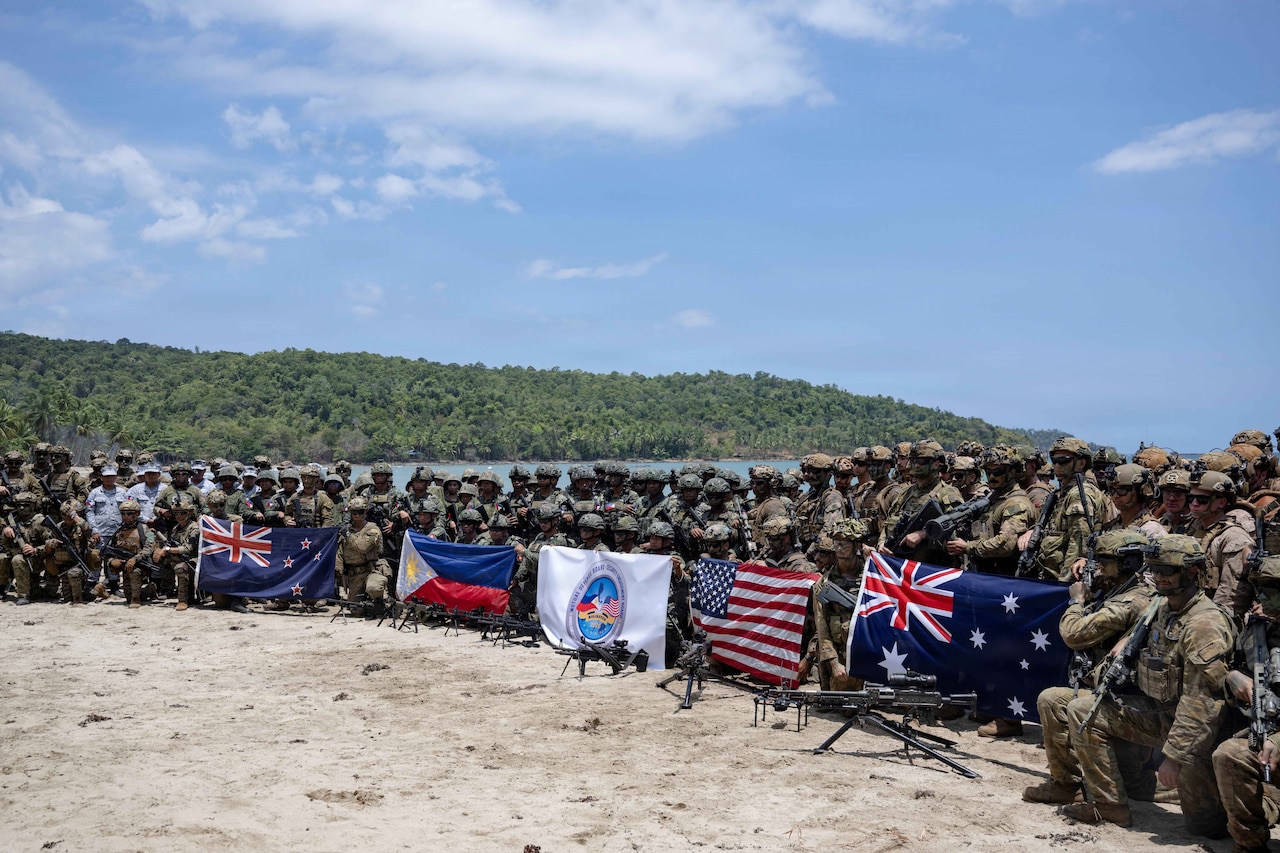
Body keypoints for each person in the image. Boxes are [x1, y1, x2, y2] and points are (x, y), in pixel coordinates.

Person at [1065, 535, 1233, 834]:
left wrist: (1174, 757)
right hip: (1159, 712)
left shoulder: (1203, 624)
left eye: (1167, 571)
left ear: (1193, 572)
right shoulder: (1163, 606)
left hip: (1196, 732)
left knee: (1206, 827)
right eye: (1154, 569)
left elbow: (1201, 702)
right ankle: (1110, 807)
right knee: (1083, 710)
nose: (1158, 577)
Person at [1025, 529, 1156, 804]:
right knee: (1051, 700)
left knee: (1139, 787)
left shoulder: (1133, 600)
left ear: (1128, 564)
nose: (1098, 568)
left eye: (1105, 562)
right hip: (1112, 694)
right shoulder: (1118, 589)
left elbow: (1074, 634)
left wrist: (1077, 601)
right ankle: (1066, 784)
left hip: (1130, 700)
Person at [1212, 553, 1280, 853]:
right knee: (1228, 754)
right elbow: (1231, 672)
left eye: (1272, 591)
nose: (1263, 598)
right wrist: (1233, 679)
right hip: (1264, 733)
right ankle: (1250, 845)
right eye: (1260, 590)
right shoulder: (1258, 631)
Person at [943, 446, 1036, 578]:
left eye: (998, 472)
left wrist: (968, 547)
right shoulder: (993, 499)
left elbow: (1006, 544)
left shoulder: (1015, 503)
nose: (991, 476)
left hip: (1003, 579)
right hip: (985, 574)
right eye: (988, 471)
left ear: (1013, 472)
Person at [1027, 437, 1107, 581]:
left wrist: (1064, 584)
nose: (1057, 465)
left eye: (1063, 461)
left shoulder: (1079, 494)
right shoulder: (1062, 493)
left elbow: (1079, 545)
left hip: (1064, 580)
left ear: (1081, 463)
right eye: (1054, 460)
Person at [878, 439, 963, 568]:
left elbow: (956, 535)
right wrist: (882, 543)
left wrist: (924, 535)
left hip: (931, 568)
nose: (916, 465)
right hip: (900, 565)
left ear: (936, 464)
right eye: (913, 461)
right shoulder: (905, 493)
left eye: (922, 461)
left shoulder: (947, 494)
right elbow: (889, 522)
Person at [1187, 469, 1256, 619]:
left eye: (1202, 500)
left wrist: (1211, 619)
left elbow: (1233, 593)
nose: (1194, 503)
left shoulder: (1233, 537)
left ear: (1221, 502)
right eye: (1190, 498)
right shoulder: (1193, 530)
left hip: (1216, 617)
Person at [336, 497, 390, 610]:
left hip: (371, 570)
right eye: (354, 512)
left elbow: (363, 547)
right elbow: (340, 551)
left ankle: (380, 602)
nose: (357, 515)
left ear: (365, 512)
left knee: (373, 589)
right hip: (354, 574)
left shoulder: (372, 529)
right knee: (355, 610)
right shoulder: (347, 530)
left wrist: (347, 535)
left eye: (360, 512)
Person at [153, 498, 200, 611]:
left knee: (181, 568)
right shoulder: (176, 528)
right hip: (181, 557)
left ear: (189, 513)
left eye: (183, 513)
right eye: (176, 513)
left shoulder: (194, 529)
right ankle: (165, 589)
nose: (179, 516)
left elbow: (188, 549)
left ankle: (182, 600)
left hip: (194, 559)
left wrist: (168, 549)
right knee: (162, 560)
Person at [1102, 464, 1166, 539]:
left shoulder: (1151, 530)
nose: (1115, 495)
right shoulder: (1113, 526)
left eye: (1122, 490)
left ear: (1140, 492)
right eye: (1112, 490)